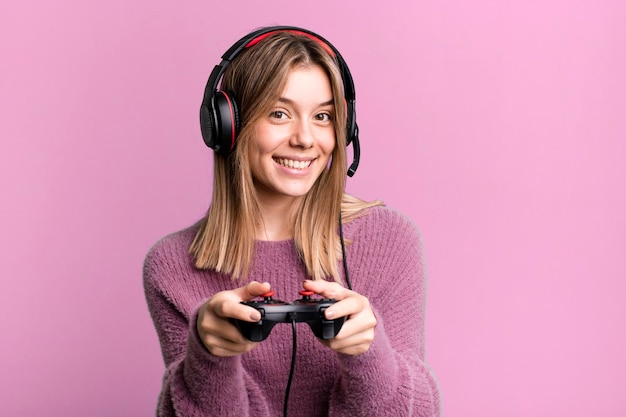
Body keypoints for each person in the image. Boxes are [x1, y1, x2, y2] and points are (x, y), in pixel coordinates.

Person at [143, 26, 440, 417]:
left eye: (323, 116)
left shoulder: (388, 241)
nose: (305, 138)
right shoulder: (171, 267)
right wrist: (208, 358)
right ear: (228, 126)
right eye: (279, 113)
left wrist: (368, 354)